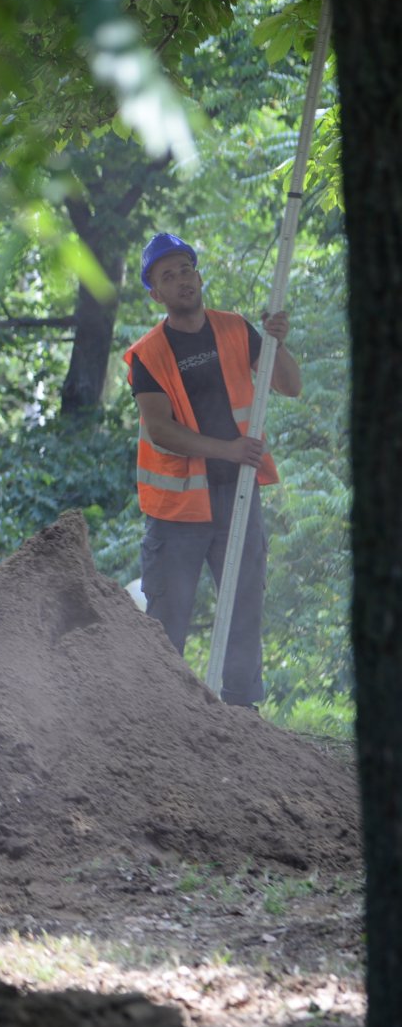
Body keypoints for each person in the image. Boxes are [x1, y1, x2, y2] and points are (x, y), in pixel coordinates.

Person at [125, 232, 301, 710]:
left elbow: (290, 385)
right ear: (154, 293)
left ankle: (243, 717)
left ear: (199, 276)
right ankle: (161, 718)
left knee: (244, 611)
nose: (181, 280)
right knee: (167, 619)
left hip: (238, 495)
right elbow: (162, 430)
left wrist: (276, 343)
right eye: (168, 276)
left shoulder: (235, 329)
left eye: (185, 270)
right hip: (177, 510)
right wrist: (228, 449)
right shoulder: (148, 356)